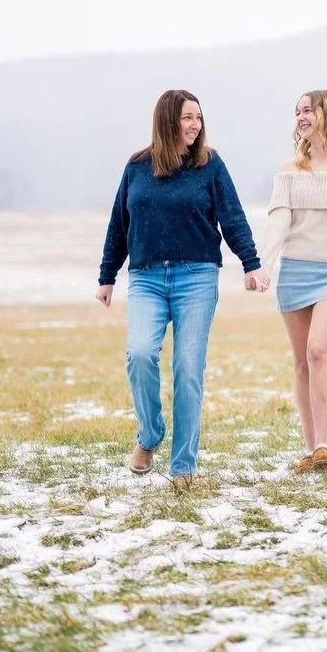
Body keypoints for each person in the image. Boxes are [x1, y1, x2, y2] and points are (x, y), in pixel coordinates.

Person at [96, 89, 268, 490]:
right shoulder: (137, 167)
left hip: (197, 277)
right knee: (139, 354)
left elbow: (232, 216)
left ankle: (183, 467)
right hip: (146, 278)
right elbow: (119, 224)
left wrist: (251, 263)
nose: (195, 125)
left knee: (188, 370)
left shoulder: (210, 165)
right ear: (167, 120)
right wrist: (107, 275)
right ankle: (150, 436)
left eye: (198, 118)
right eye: (187, 117)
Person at [257, 90, 327, 474]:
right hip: (295, 271)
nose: (301, 117)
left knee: (318, 350)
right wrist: (264, 266)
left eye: (307, 110)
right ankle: (311, 451)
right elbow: (278, 223)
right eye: (297, 112)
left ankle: (324, 444)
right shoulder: (289, 171)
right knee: (302, 363)